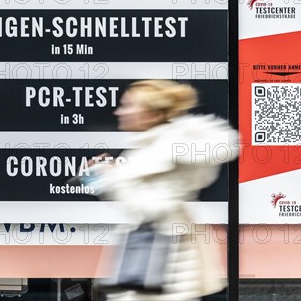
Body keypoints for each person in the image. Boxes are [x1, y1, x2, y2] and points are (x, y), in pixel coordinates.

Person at [92, 80, 240, 301]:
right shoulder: (153, 146)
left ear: (151, 114)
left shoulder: (162, 150)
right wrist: (105, 176)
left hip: (163, 260)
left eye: (128, 105)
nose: (119, 111)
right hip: (153, 256)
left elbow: (152, 207)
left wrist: (109, 178)